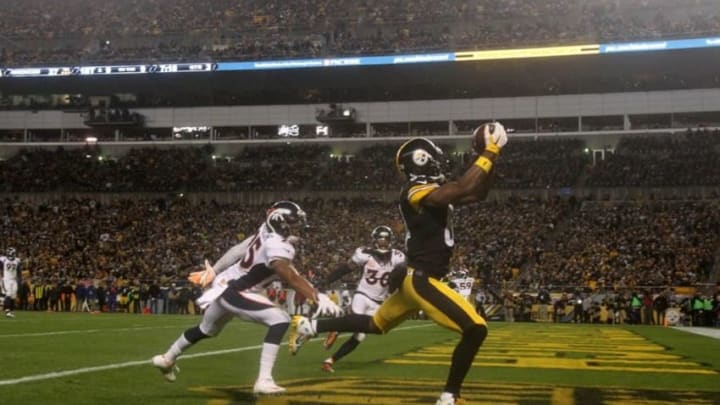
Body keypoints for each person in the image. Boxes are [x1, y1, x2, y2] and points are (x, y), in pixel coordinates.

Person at [288, 123, 508, 405]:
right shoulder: (414, 190)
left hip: (413, 279)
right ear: (423, 159)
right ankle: (449, 397)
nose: (440, 162)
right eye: (434, 157)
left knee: (375, 324)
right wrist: (489, 151)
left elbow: (477, 193)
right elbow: (463, 186)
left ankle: (309, 327)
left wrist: (493, 159)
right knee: (476, 329)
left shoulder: (429, 191)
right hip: (422, 279)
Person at [151, 201, 342, 394]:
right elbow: (288, 274)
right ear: (281, 222)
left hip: (224, 285)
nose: (298, 228)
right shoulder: (277, 244)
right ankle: (264, 380)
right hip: (238, 290)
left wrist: (213, 272)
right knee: (280, 320)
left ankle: (167, 359)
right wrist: (316, 297)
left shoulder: (265, 231)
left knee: (206, 329)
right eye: (293, 223)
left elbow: (238, 251)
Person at [320, 225, 406, 373]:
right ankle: (335, 329)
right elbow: (346, 268)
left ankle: (330, 361)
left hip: (378, 302)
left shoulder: (397, 257)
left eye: (385, 239)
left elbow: (401, 278)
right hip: (363, 294)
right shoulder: (366, 254)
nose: (383, 242)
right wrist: (327, 280)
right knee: (354, 321)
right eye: (381, 239)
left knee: (360, 336)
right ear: (375, 240)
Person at [0, 248, 22, 318]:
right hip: (6, 279)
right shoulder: (3, 259)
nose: (11, 255)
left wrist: (19, 279)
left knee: (13, 295)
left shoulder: (17, 260)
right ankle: (7, 311)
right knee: (8, 294)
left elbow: (19, 271)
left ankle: (11, 311)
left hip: (14, 280)